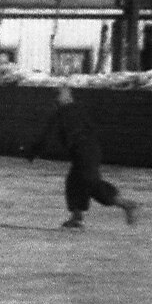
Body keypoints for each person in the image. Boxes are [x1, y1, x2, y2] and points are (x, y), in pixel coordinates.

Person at [25, 85, 140, 229]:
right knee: (74, 182)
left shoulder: (61, 114)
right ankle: (77, 217)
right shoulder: (79, 110)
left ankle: (126, 205)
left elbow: (47, 137)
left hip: (84, 152)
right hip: (91, 150)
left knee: (91, 184)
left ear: (66, 97)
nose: (54, 99)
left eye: (57, 96)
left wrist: (33, 151)